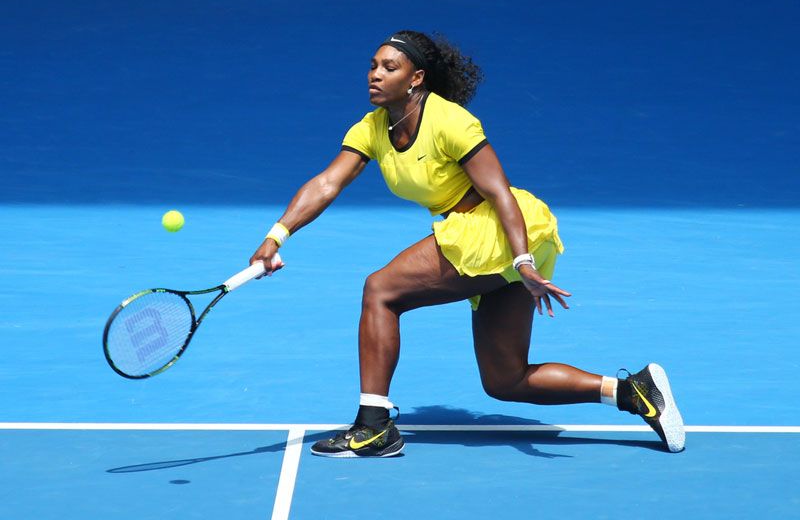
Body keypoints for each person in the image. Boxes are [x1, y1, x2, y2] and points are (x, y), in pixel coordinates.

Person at [249, 30, 685, 457]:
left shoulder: (450, 120)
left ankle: (374, 425)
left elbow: (500, 193)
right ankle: (633, 392)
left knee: (380, 290)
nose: (374, 75)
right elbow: (327, 182)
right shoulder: (373, 128)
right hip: (490, 242)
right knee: (505, 379)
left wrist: (524, 262)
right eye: (372, 66)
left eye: (389, 67)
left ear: (415, 78)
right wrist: (277, 234)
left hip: (502, 230)